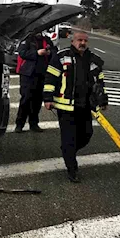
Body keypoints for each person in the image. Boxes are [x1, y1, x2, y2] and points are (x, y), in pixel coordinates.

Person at [43, 29, 108, 182]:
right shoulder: (61, 57)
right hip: (66, 107)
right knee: (69, 138)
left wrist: (103, 100)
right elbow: (50, 77)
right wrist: (47, 98)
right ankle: (72, 169)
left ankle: (67, 150)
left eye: (85, 40)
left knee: (87, 135)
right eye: (79, 40)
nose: (82, 43)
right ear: (73, 41)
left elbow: (100, 82)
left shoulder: (93, 60)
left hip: (85, 106)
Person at [14, 30, 54, 133]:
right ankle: (19, 124)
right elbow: (22, 53)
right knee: (25, 99)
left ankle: (34, 124)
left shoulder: (47, 40)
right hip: (28, 74)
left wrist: (49, 53)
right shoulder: (27, 39)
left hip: (42, 74)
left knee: (37, 101)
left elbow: (55, 51)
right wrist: (36, 53)